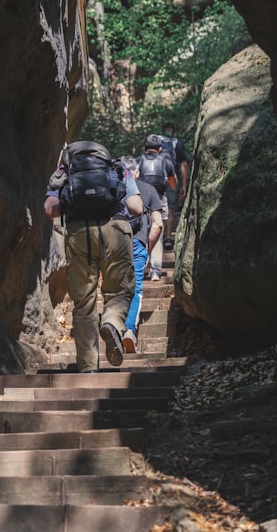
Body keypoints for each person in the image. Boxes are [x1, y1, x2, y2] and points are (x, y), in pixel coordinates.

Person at [43, 141, 142, 373]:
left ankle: (88, 367)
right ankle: (111, 322)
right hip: (115, 230)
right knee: (120, 290)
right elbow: (136, 207)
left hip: (79, 233)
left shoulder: (64, 172)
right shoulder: (117, 168)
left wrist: (69, 199)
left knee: (83, 301)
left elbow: (49, 210)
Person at [121, 156, 163, 353]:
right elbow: (158, 223)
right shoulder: (148, 189)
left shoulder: (111, 186)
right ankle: (129, 330)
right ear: (136, 172)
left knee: (114, 289)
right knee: (136, 288)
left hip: (113, 244)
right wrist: (148, 248)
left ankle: (112, 326)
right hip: (138, 242)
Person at [136, 134, 177, 281]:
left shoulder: (138, 161)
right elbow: (173, 183)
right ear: (160, 149)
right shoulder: (165, 161)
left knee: (139, 231)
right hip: (159, 199)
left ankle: (138, 266)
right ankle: (155, 270)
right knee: (158, 231)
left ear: (145, 148)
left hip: (140, 199)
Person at [160, 121, 191, 250]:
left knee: (159, 208)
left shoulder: (156, 143)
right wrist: (184, 185)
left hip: (158, 180)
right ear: (174, 132)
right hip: (173, 179)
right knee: (171, 209)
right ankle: (168, 238)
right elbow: (184, 164)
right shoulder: (177, 143)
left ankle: (159, 237)